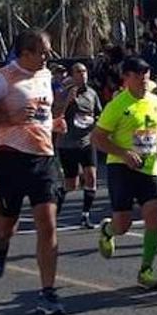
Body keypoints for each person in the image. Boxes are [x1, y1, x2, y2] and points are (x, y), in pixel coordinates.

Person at [0, 30, 65, 315]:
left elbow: (42, 112)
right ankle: (0, 248)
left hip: (44, 159)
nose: (47, 57)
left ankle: (47, 292)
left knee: (47, 224)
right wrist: (7, 118)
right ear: (24, 53)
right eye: (43, 52)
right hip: (10, 159)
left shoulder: (45, 75)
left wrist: (54, 124)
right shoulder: (2, 78)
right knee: (6, 227)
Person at [94, 57, 157, 290]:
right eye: (139, 77)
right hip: (121, 168)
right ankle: (108, 230)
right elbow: (97, 138)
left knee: (154, 216)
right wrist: (124, 153)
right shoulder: (117, 105)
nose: (144, 81)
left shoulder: (156, 101)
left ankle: (145, 270)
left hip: (149, 169)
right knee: (123, 225)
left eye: (147, 77)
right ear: (126, 78)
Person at [53, 61, 102, 228]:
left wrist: (93, 121)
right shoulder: (62, 92)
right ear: (72, 75)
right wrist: (68, 100)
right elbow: (56, 113)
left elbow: (98, 114)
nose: (83, 75)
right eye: (79, 72)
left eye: (84, 72)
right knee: (71, 184)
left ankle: (85, 216)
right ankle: (57, 200)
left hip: (86, 141)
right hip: (67, 144)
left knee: (91, 176)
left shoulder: (92, 94)